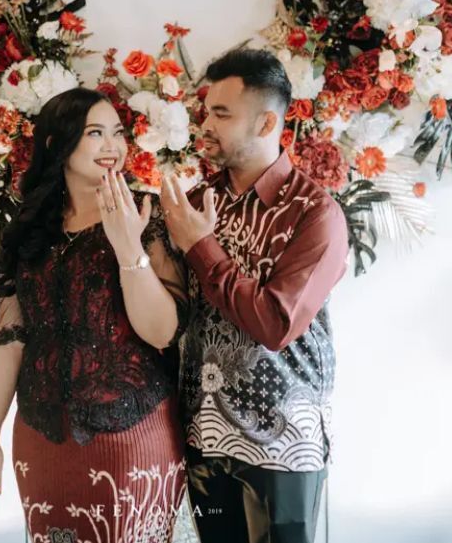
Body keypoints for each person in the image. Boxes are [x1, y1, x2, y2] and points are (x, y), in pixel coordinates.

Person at [0, 87, 190, 542]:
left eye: (118, 133)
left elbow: (163, 332)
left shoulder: (145, 213)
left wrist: (128, 246)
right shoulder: (28, 231)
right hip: (40, 436)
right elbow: (9, 341)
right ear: (57, 145)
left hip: (132, 432)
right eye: (96, 133)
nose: (113, 146)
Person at [161, 48, 350, 543]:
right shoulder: (201, 200)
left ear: (267, 123)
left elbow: (275, 324)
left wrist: (200, 247)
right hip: (206, 434)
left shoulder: (316, 214)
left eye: (222, 113)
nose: (206, 123)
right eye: (207, 110)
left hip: (284, 442)